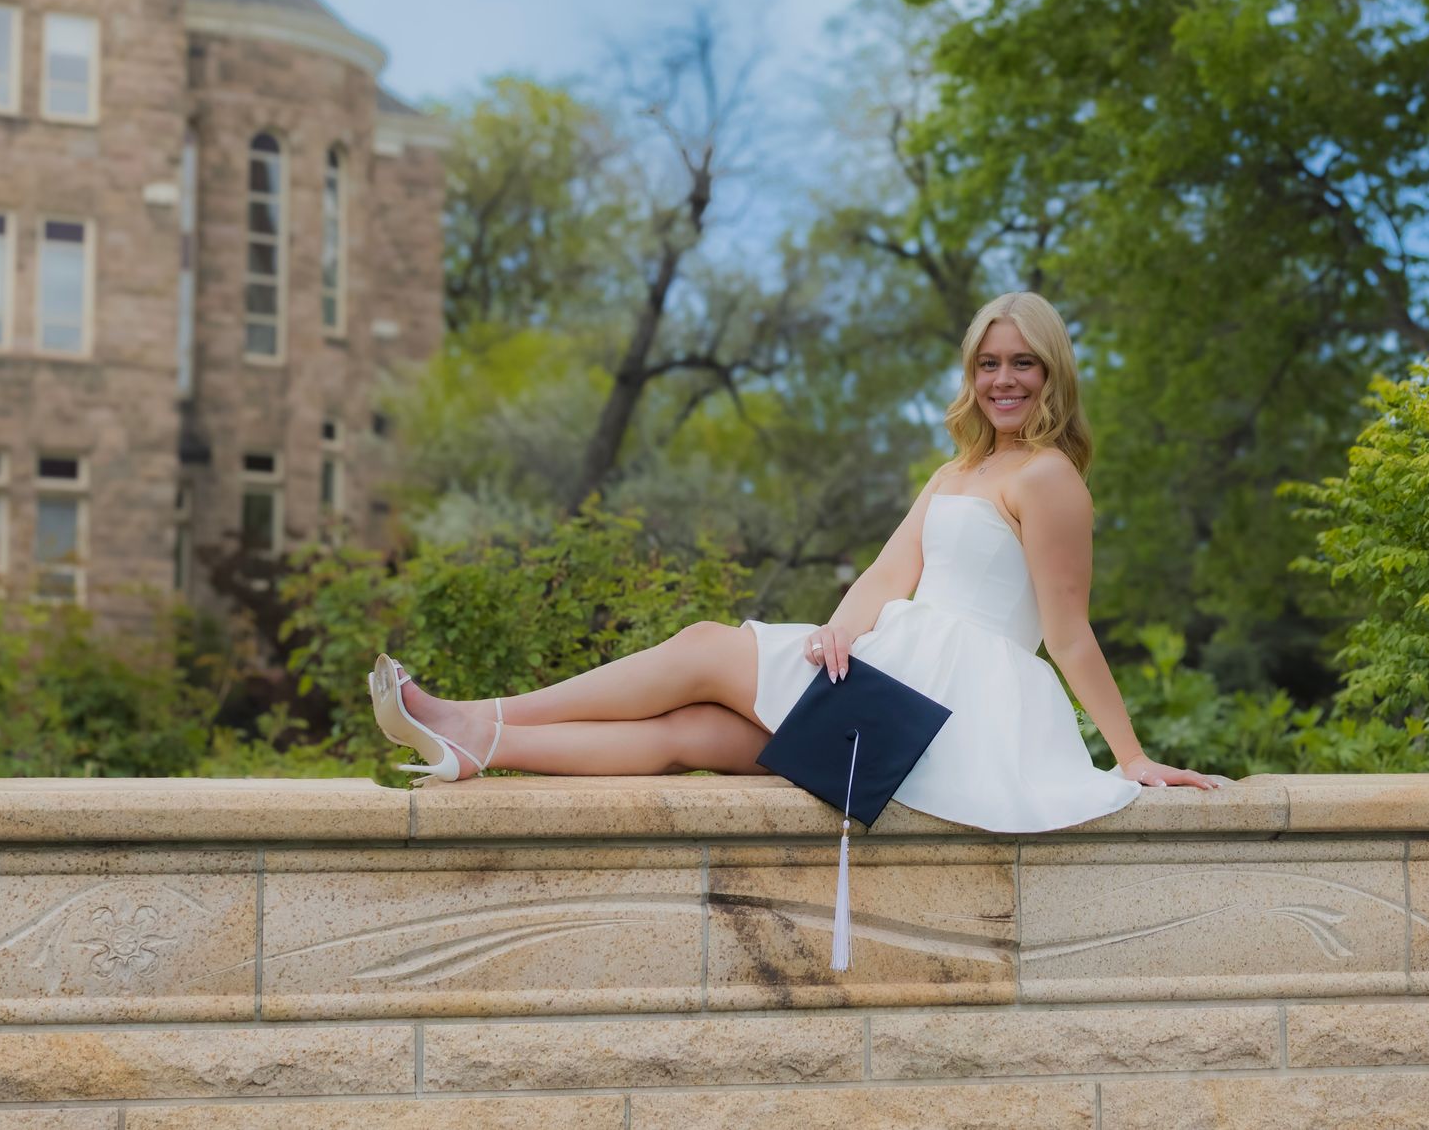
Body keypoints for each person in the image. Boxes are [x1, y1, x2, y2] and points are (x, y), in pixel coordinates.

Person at [369, 290, 1221, 831]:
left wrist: (1131, 755)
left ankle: (475, 711)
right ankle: (487, 742)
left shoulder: (1050, 477)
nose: (1003, 379)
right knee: (695, 734)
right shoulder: (958, 471)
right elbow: (889, 577)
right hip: (896, 658)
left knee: (707, 643)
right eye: (988, 362)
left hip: (957, 702)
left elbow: (1069, 632)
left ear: (1051, 372)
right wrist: (838, 633)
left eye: (1021, 363)